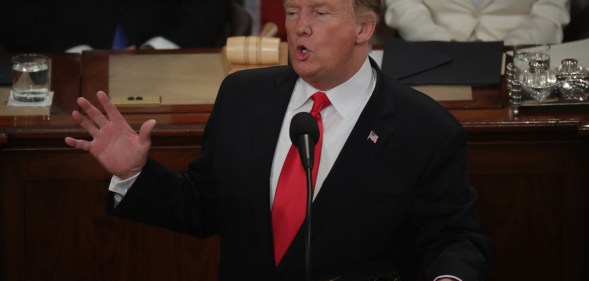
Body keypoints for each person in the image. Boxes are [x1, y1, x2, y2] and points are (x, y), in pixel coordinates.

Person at [65, 0, 491, 280]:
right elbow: (205, 204)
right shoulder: (242, 96)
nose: (299, 28)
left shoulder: (425, 128)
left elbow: (454, 239)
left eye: (319, 13)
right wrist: (135, 174)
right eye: (292, 11)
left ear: (364, 29)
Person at [1, 0, 230, 52]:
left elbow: (210, 7)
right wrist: (78, 55)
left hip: (169, 59)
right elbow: (15, 12)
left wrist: (158, 51)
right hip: (57, 59)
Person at [384, 0, 571, 45]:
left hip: (521, 54)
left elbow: (550, 13)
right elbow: (403, 6)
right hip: (431, 47)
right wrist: (444, 42)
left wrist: (507, 50)